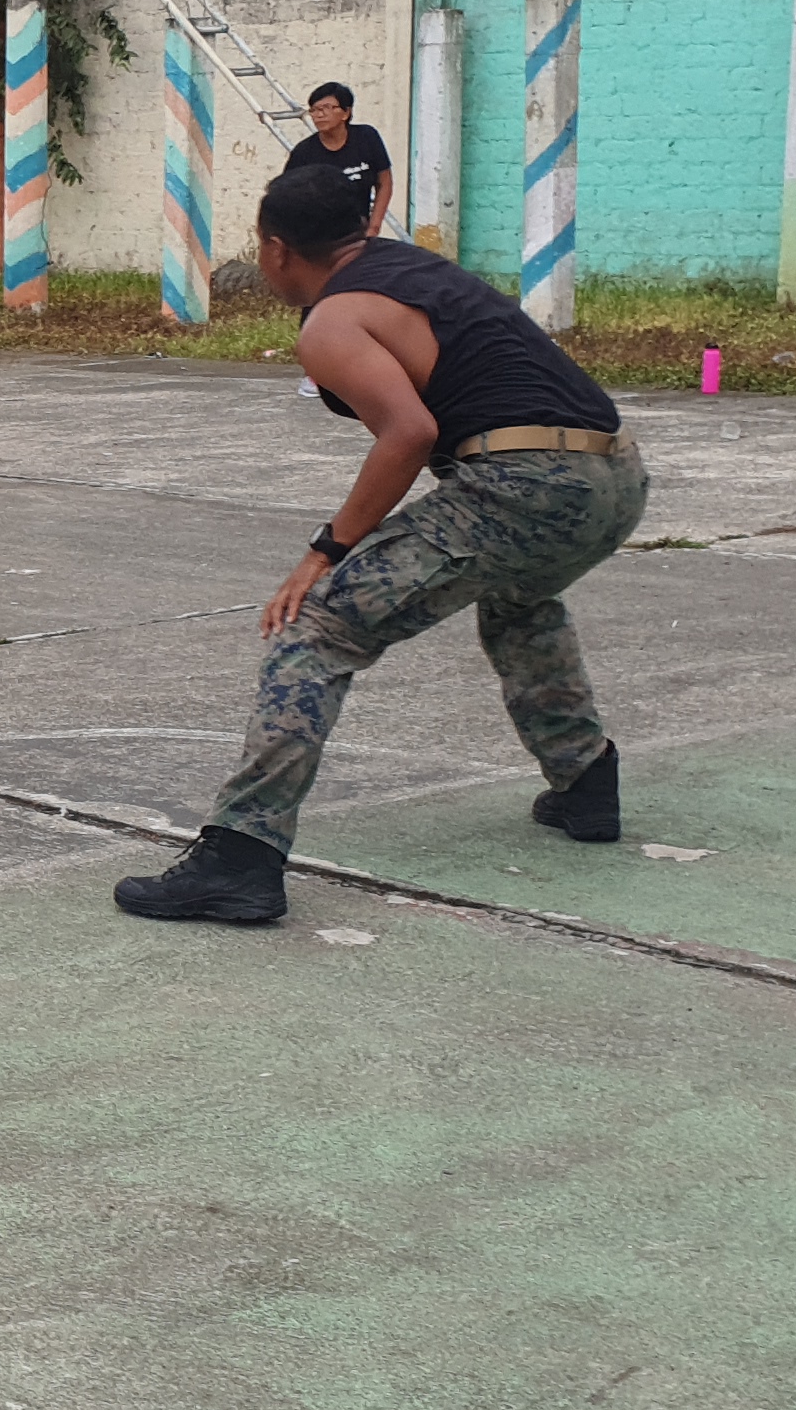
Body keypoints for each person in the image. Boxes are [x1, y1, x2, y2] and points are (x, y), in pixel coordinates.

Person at [115, 164, 644, 925]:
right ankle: (586, 781)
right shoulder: (414, 270)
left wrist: (325, 553)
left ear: (275, 249)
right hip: (616, 477)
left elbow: (408, 434)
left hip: (527, 484)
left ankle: (239, 856)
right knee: (519, 598)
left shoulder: (331, 323)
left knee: (317, 629)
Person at [284, 83, 394, 236]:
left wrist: (374, 227)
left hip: (358, 231)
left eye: (327, 108)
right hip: (318, 237)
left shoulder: (367, 137)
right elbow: (286, 197)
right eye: (314, 110)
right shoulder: (304, 152)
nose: (319, 115)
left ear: (346, 113)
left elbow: (384, 182)